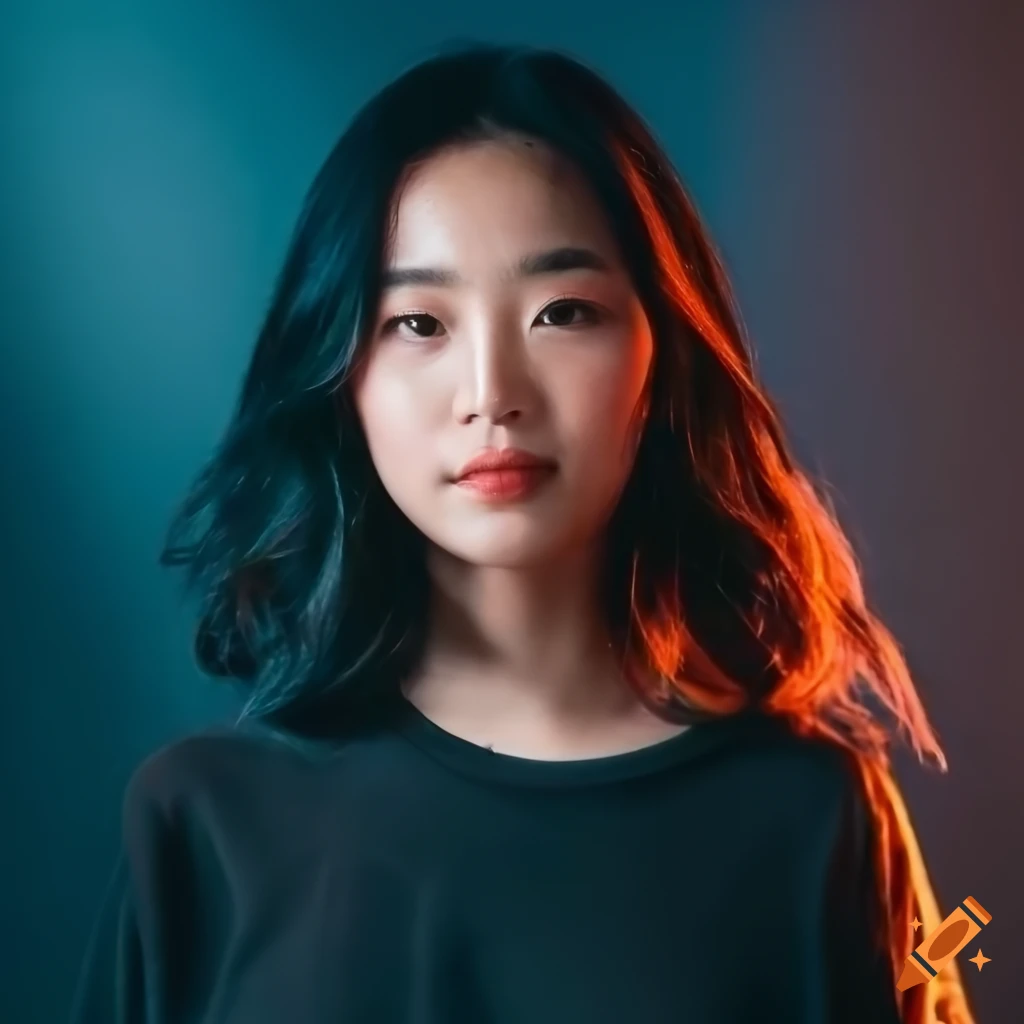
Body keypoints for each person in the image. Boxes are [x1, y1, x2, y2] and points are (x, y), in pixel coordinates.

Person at [69, 41, 975, 1024]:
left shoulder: (811, 818)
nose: (491, 394)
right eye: (419, 323)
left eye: (561, 311)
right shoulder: (203, 826)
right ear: (340, 377)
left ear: (660, 358)